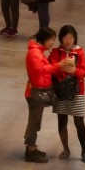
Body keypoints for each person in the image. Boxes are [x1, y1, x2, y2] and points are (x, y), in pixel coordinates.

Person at [51, 25, 85, 163]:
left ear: (75, 38)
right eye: (65, 37)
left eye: (71, 38)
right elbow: (51, 69)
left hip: (76, 91)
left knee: (79, 121)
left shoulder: (79, 52)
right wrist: (61, 66)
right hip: (60, 91)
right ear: (61, 38)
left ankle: (84, 151)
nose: (68, 40)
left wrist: (74, 70)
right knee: (62, 121)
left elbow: (84, 71)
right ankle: (65, 149)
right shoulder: (56, 52)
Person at [21, 28, 56, 162]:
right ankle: (30, 151)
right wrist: (58, 65)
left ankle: (31, 148)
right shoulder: (35, 53)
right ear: (44, 39)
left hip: (36, 92)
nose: (53, 42)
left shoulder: (38, 51)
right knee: (34, 123)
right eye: (51, 39)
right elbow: (41, 69)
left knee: (35, 122)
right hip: (35, 93)